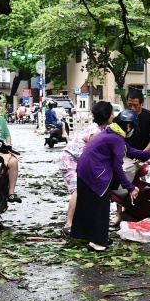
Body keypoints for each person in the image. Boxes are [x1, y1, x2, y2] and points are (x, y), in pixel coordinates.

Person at [71, 110, 150, 251]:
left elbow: (130, 151)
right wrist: (130, 187)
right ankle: (96, 243)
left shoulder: (112, 133)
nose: (132, 131)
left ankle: (97, 237)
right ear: (128, 126)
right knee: (101, 207)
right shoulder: (115, 138)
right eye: (132, 127)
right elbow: (117, 167)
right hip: (94, 173)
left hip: (86, 170)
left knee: (92, 206)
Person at [57, 101, 115, 237]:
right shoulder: (96, 133)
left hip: (77, 162)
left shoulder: (98, 129)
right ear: (106, 116)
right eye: (112, 113)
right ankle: (69, 224)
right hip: (69, 160)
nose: (113, 116)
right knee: (78, 190)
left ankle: (81, 222)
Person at [119, 88, 150, 224]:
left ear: (141, 103)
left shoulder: (149, 116)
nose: (132, 108)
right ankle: (119, 213)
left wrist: (142, 154)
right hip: (127, 155)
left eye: (135, 105)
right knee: (121, 179)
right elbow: (119, 139)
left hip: (145, 153)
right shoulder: (123, 117)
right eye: (129, 105)